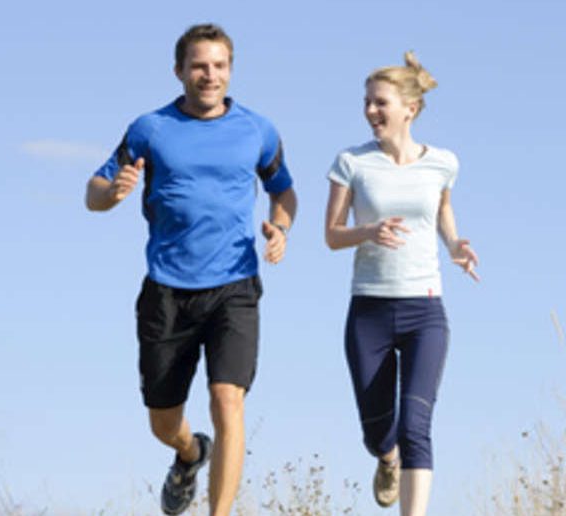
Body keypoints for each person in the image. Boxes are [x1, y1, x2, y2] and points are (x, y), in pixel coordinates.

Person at [85, 23, 297, 515]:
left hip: (234, 286)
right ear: (179, 71)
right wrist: (113, 193)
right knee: (163, 422)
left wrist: (281, 228)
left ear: (231, 70)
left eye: (219, 65)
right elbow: (93, 192)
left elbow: (283, 190)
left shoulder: (257, 130)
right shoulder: (150, 128)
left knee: (227, 399)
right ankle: (189, 452)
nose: (209, 75)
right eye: (199, 66)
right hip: (167, 290)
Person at [324, 51, 479, 515]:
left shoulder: (443, 163)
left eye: (380, 103)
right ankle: (385, 458)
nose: (370, 110)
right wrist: (368, 231)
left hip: (424, 311)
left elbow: (442, 211)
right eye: (367, 102)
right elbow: (332, 235)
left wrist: (455, 245)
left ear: (409, 109)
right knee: (379, 431)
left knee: (416, 426)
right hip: (369, 311)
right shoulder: (351, 162)